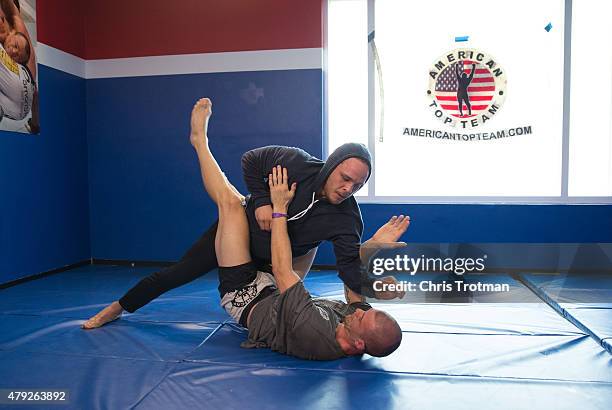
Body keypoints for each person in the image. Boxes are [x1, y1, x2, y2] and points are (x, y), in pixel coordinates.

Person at [83, 99, 408, 329]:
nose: (349, 188)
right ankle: (116, 308)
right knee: (179, 272)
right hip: (241, 234)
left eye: (359, 184)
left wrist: (370, 295)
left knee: (294, 297)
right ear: (331, 166)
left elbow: (348, 268)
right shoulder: (298, 163)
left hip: (280, 255)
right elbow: (252, 161)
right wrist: (265, 201)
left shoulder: (347, 218)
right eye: (345, 178)